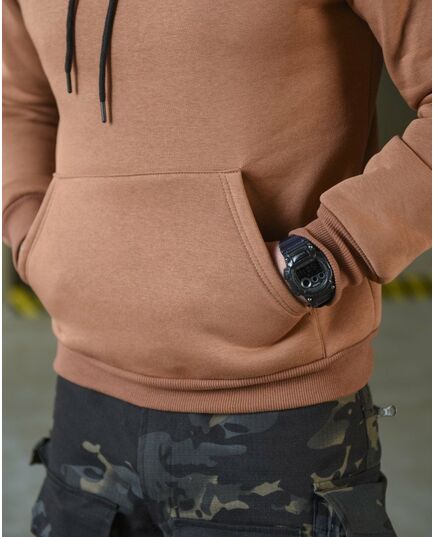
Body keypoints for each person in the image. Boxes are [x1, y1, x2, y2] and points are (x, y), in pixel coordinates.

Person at [3, 1, 431, 536]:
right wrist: (27, 228)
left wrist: (330, 252)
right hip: (83, 405)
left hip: (277, 421)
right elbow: (21, 103)